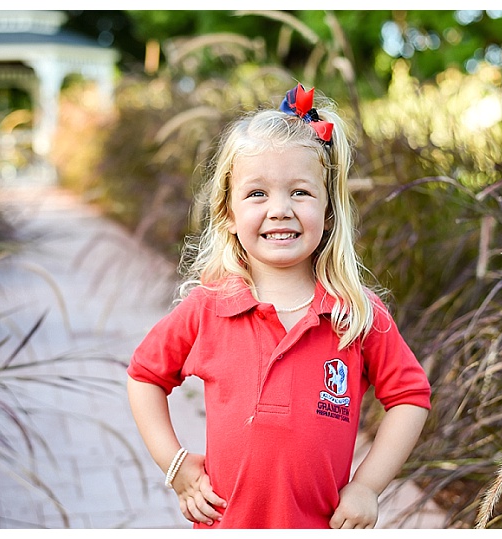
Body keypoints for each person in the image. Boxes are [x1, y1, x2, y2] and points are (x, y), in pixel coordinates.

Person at [126, 83, 431, 529]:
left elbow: (410, 397)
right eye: (257, 194)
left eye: (300, 192)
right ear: (227, 213)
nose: (280, 210)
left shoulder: (357, 315)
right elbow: (144, 376)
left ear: (328, 210)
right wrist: (175, 466)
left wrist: (367, 485)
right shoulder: (208, 307)